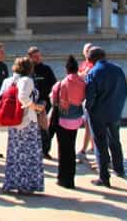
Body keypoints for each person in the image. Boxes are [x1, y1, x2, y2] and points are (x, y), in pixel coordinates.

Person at [0, 57, 48, 194]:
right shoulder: (26, 80)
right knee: (28, 154)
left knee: (15, 154)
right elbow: (23, 98)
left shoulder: (10, 80)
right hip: (26, 121)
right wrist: (36, 107)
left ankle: (13, 182)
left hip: (15, 122)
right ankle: (25, 185)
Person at [84, 46, 127, 188]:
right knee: (115, 140)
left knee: (100, 144)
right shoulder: (118, 69)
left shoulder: (94, 72)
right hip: (115, 111)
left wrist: (89, 108)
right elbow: (124, 91)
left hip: (98, 113)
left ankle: (104, 177)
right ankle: (119, 168)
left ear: (90, 60)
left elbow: (90, 95)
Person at [50, 55, 87, 189]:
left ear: (66, 69)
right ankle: (70, 178)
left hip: (63, 120)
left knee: (63, 150)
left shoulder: (61, 83)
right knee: (71, 148)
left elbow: (53, 100)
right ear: (77, 69)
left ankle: (63, 178)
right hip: (76, 119)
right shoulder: (82, 83)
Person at [27, 45, 57, 158]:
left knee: (44, 129)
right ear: (30, 58)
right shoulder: (27, 70)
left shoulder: (46, 69)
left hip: (44, 104)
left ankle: (45, 151)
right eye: (35, 57)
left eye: (39, 56)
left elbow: (53, 86)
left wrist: (46, 101)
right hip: (30, 104)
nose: (38, 59)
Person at [77, 42, 95, 161]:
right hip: (83, 97)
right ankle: (93, 146)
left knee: (89, 124)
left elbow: (83, 76)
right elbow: (79, 76)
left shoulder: (94, 65)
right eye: (86, 50)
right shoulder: (83, 64)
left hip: (91, 98)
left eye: (90, 49)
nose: (88, 51)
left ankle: (83, 149)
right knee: (89, 123)